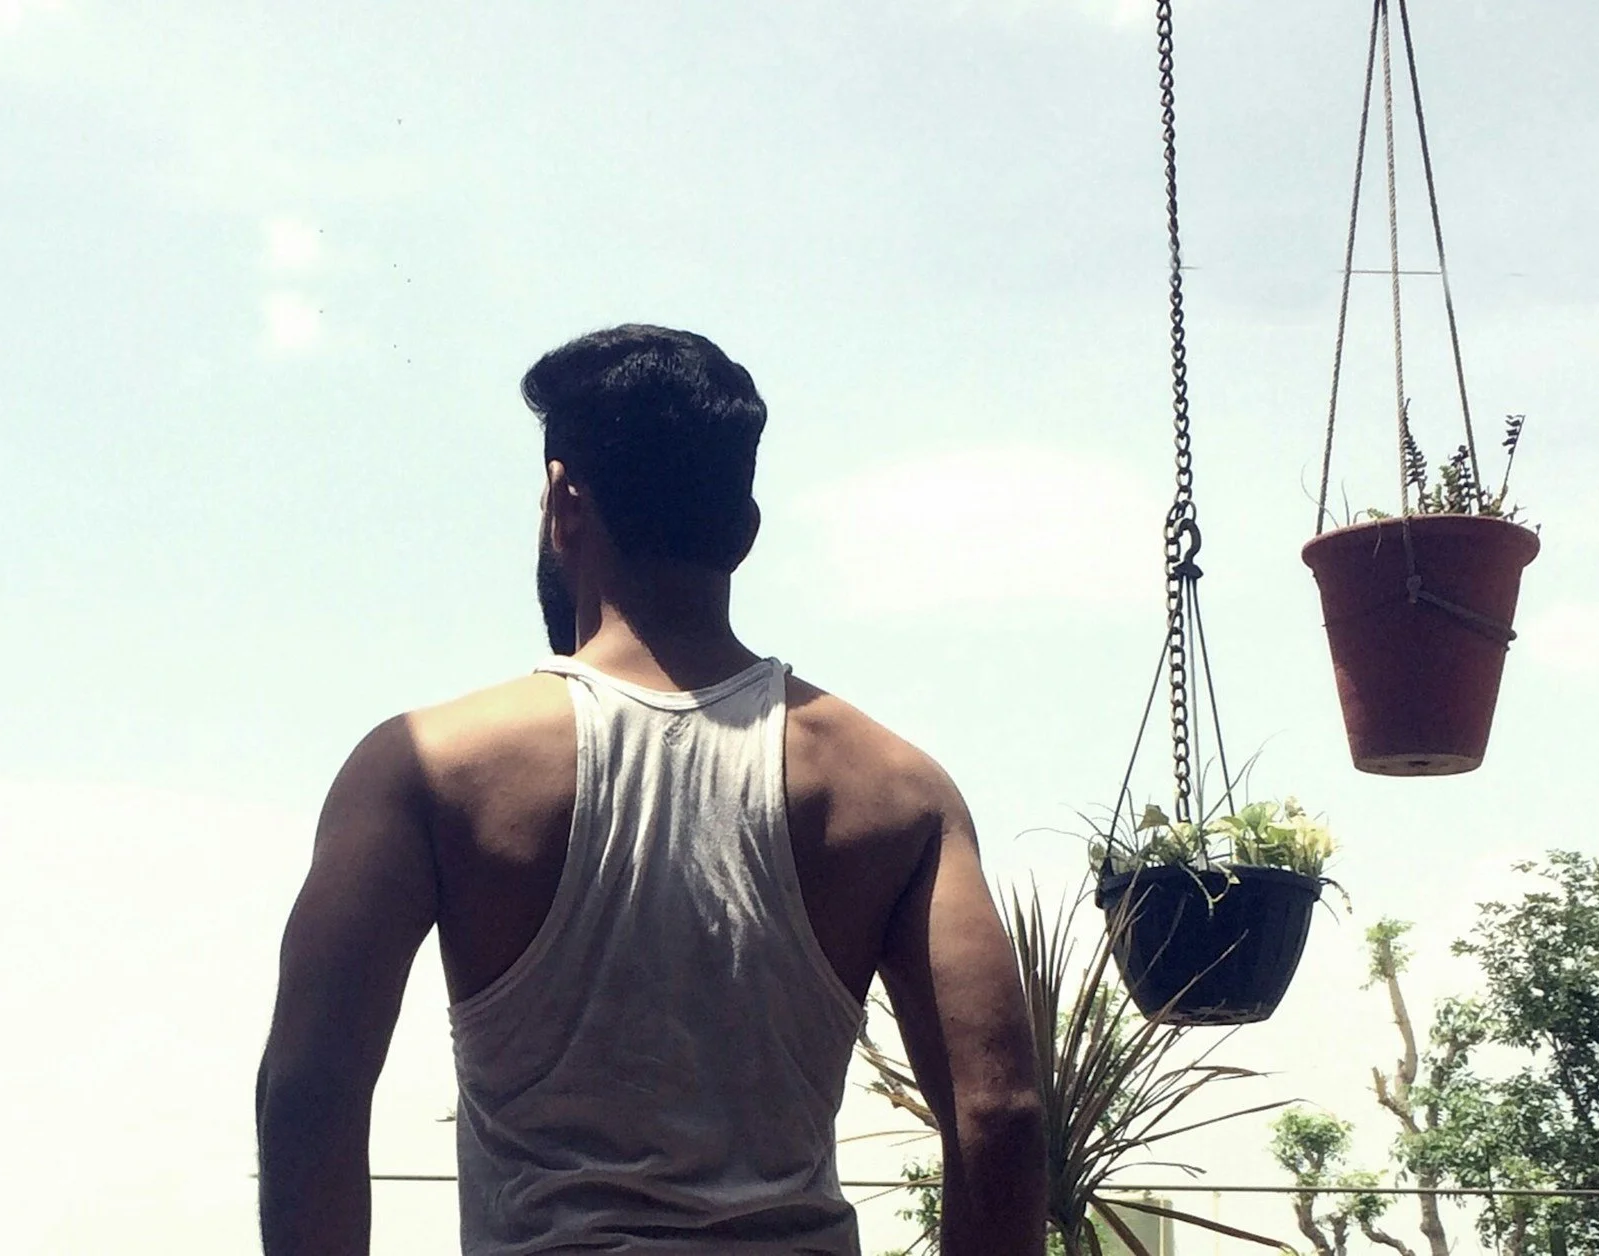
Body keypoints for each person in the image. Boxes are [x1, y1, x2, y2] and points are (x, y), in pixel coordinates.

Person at [256, 325, 1046, 1255]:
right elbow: (1000, 1112)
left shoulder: (425, 768)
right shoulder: (898, 792)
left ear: (562, 502)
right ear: (743, 534)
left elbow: (310, 1092)